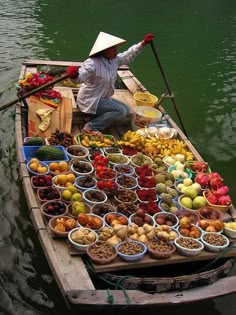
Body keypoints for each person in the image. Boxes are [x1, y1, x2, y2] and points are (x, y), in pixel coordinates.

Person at [67, 32, 154, 135]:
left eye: (115, 48)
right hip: (90, 100)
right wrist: (74, 75)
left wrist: (142, 43)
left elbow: (128, 55)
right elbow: (79, 78)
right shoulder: (92, 63)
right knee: (121, 111)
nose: (116, 51)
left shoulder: (114, 60)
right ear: (104, 50)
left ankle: (92, 117)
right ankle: (91, 126)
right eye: (113, 49)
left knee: (125, 109)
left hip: (103, 98)